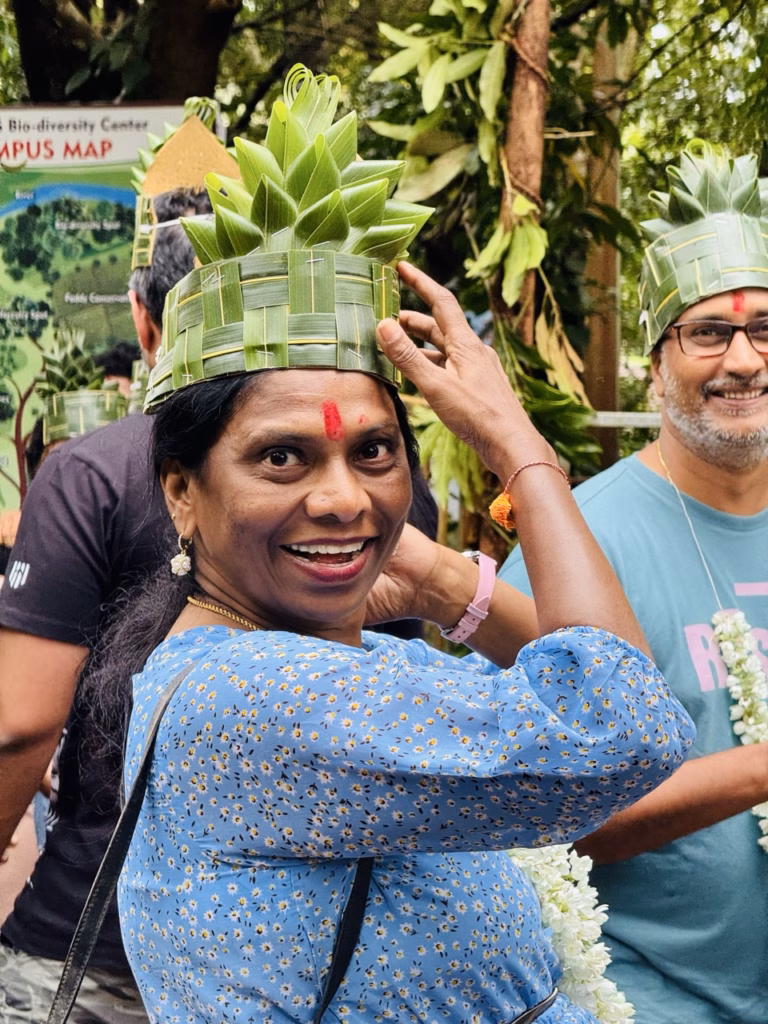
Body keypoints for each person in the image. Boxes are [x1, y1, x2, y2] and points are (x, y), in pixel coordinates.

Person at [90, 125, 692, 1018]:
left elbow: (599, 704)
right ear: (182, 491)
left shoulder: (334, 662)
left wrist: (443, 583)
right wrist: (520, 451)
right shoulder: (258, 696)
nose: (344, 499)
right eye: (282, 459)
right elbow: (623, 725)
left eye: (374, 451)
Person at [501, 140, 768, 1024]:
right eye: (709, 333)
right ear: (656, 363)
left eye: (765, 329)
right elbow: (535, 812)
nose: (744, 359)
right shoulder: (579, 542)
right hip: (648, 1003)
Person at [0, 169, 218, 1021]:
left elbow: (21, 722)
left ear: (143, 316)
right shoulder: (374, 477)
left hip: (99, 942)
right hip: (292, 947)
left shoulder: (96, 468)